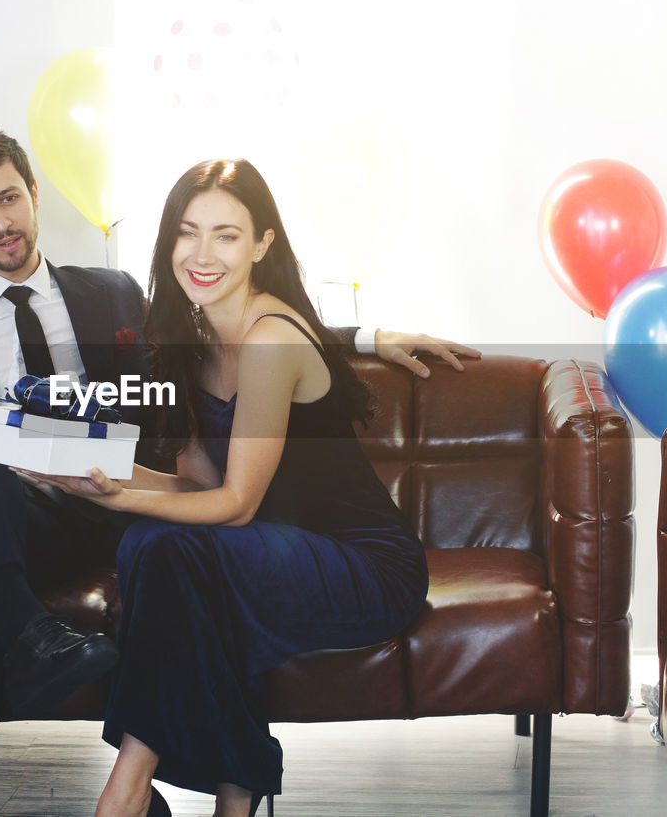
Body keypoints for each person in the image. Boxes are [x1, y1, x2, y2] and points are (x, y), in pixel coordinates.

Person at [0, 119, 476, 817]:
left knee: (145, 547)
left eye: (10, 198)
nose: (2, 222)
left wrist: (369, 334)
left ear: (34, 194)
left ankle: (141, 785)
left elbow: (255, 342)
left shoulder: (111, 296)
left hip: (83, 508)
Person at [30, 159, 472, 817]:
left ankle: (129, 786)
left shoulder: (272, 337)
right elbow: (193, 485)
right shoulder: (192, 337)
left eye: (227, 235)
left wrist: (118, 498)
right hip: (269, 549)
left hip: (363, 564)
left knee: (162, 546)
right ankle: (236, 794)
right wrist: (92, 468)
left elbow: (234, 505)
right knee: (153, 544)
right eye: (187, 232)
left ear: (263, 244)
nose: (202, 254)